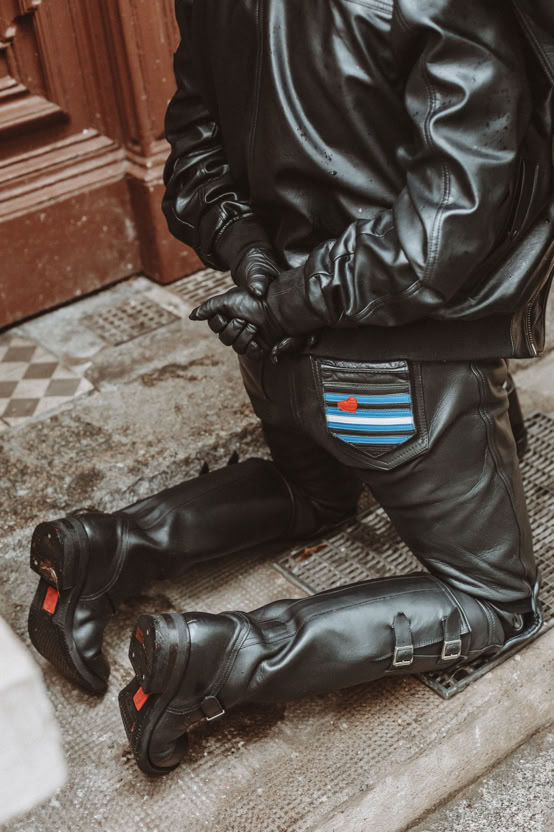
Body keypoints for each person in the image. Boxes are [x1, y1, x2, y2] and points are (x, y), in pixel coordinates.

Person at [28, 0, 552, 777]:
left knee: (318, 497)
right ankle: (216, 665)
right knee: (495, 603)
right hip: (395, 371)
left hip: (276, 352)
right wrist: (289, 299)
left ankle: (104, 551)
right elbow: (441, 234)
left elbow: (192, 166)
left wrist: (261, 272)